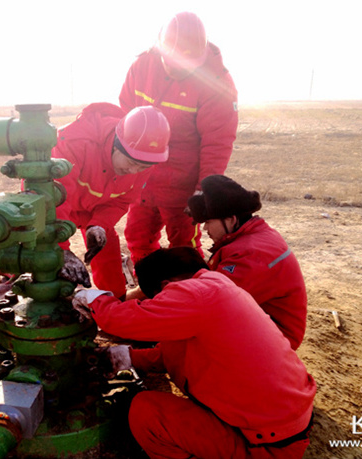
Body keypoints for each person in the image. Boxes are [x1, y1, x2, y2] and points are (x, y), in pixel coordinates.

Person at [73, 247, 316, 459]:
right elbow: (175, 352)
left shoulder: (195, 293)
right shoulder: (218, 287)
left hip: (265, 447)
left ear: (166, 286)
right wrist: (123, 357)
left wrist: (94, 299)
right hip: (285, 426)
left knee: (146, 413)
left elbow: (121, 321)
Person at [119, 11, 239, 267]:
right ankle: (150, 289)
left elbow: (217, 144)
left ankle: (189, 298)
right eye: (170, 61)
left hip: (181, 186)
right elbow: (123, 117)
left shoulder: (217, 85)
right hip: (142, 178)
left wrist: (201, 191)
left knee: (183, 246)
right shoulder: (141, 66)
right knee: (137, 238)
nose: (176, 69)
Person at [53, 102, 170, 299]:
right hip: (58, 206)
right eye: (131, 163)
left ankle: (114, 301)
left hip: (93, 207)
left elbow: (121, 201)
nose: (134, 171)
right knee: (44, 253)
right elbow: (53, 201)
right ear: (116, 143)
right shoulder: (75, 143)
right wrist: (60, 249)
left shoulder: (145, 160)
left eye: (142, 167)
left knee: (105, 247)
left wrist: (99, 224)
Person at [185, 174, 308, 349]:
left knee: (185, 338)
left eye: (209, 222)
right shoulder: (254, 235)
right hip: (264, 324)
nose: (205, 229)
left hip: (275, 340)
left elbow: (209, 305)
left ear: (231, 219)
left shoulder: (249, 254)